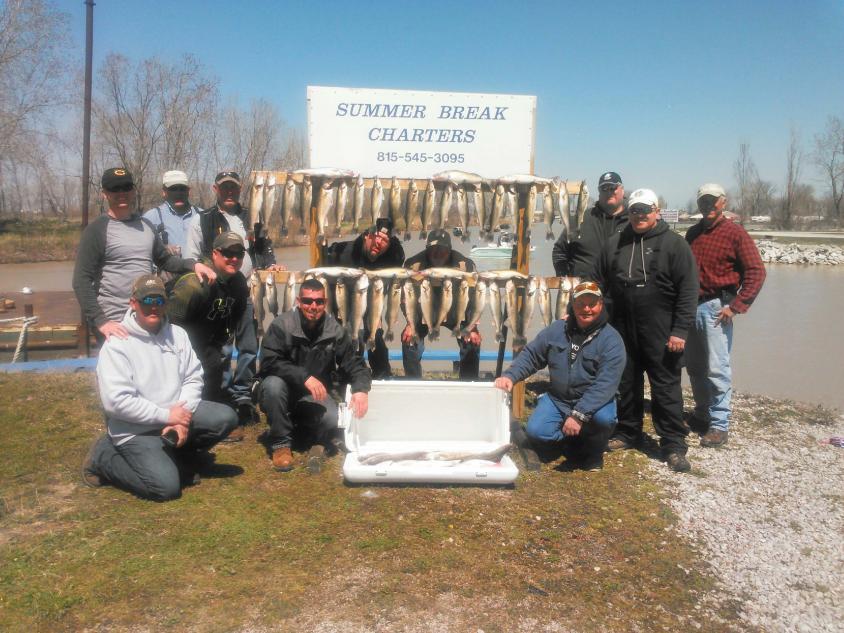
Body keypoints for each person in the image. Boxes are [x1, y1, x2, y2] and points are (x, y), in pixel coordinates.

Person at [81, 274, 237, 501]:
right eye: (147, 301)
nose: (153, 307)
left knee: (225, 417)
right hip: (135, 429)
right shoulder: (116, 345)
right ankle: (103, 457)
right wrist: (166, 416)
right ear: (133, 303)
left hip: (174, 417)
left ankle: (178, 457)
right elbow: (117, 402)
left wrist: (182, 418)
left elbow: (193, 378)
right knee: (166, 488)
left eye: (159, 301)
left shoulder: (178, 335)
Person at [592, 188, 699, 473]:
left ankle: (673, 443)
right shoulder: (615, 243)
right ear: (628, 212)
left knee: (665, 385)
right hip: (621, 324)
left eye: (645, 210)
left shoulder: (675, 245)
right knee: (626, 382)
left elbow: (689, 292)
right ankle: (628, 432)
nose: (639, 215)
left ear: (657, 211)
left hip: (661, 326)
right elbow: (598, 283)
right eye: (635, 210)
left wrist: (680, 331)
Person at [73, 168, 215, 343]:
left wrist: (193, 265)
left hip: (147, 315)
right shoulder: (97, 230)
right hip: (115, 322)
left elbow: (165, 260)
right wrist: (101, 321)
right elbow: (81, 280)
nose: (121, 193)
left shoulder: (146, 225)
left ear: (133, 191)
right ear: (104, 194)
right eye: (114, 189)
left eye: (125, 187)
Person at [494, 281, 625, 470]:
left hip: (595, 402)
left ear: (601, 305)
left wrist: (578, 415)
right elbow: (532, 355)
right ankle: (571, 441)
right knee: (536, 432)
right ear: (572, 304)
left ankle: (593, 452)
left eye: (592, 304)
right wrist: (510, 376)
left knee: (604, 420)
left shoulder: (612, 340)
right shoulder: (557, 329)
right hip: (559, 399)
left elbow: (606, 384)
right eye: (580, 304)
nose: (586, 309)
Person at [185, 171, 278, 428]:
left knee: (249, 346)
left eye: (233, 188)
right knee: (222, 348)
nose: (229, 192)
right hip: (216, 294)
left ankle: (243, 395)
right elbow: (191, 259)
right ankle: (220, 394)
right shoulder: (201, 220)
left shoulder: (254, 217)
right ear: (215, 188)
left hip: (248, 290)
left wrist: (271, 266)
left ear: (240, 190)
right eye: (224, 188)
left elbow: (265, 250)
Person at [257, 278, 371, 472]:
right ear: (298, 302)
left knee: (331, 418)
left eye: (318, 301)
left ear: (325, 303)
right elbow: (269, 362)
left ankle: (297, 428)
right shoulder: (280, 325)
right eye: (308, 301)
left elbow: (354, 363)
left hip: (314, 395)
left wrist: (361, 389)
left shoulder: (335, 330)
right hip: (283, 388)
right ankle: (281, 444)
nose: (313, 306)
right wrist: (303, 377)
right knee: (272, 387)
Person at [684, 183, 766, 447]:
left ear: (723, 202)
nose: (707, 206)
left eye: (712, 201)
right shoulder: (693, 233)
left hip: (717, 309)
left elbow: (756, 271)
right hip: (691, 307)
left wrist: (736, 306)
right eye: (703, 201)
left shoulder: (735, 233)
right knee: (695, 367)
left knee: (717, 368)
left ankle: (719, 424)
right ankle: (701, 413)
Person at [167, 231, 249, 415]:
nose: (234, 259)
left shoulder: (238, 283)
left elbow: (234, 317)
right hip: (179, 345)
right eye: (228, 253)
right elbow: (169, 327)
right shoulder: (194, 284)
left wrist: (219, 341)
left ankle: (210, 405)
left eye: (239, 254)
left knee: (213, 361)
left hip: (208, 343)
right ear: (215, 254)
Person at [325, 217, 405, 378]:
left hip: (372, 294)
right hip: (345, 295)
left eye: (385, 241)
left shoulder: (394, 255)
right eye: (376, 237)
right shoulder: (345, 254)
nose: (379, 243)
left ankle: (382, 372)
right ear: (366, 236)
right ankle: (348, 371)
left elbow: (398, 260)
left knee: (375, 331)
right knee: (346, 332)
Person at [401, 229, 481, 380]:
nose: (438, 253)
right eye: (433, 249)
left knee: (471, 339)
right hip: (424, 311)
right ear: (427, 249)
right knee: (409, 340)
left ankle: (468, 384)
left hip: (455, 311)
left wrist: (473, 326)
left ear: (449, 250)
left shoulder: (466, 265)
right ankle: (413, 384)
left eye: (443, 250)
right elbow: (405, 297)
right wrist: (409, 322)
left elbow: (474, 298)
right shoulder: (412, 265)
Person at [553, 171, 628, 277]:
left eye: (613, 188)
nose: (608, 192)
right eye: (604, 189)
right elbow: (559, 251)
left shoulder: (633, 222)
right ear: (599, 192)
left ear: (622, 190)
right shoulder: (581, 219)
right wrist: (564, 278)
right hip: (584, 290)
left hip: (620, 290)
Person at [142, 170, 202, 257]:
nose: (178, 193)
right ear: (164, 192)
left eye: (182, 189)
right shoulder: (150, 218)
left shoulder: (203, 215)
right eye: (173, 189)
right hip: (164, 269)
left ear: (189, 191)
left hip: (199, 269)